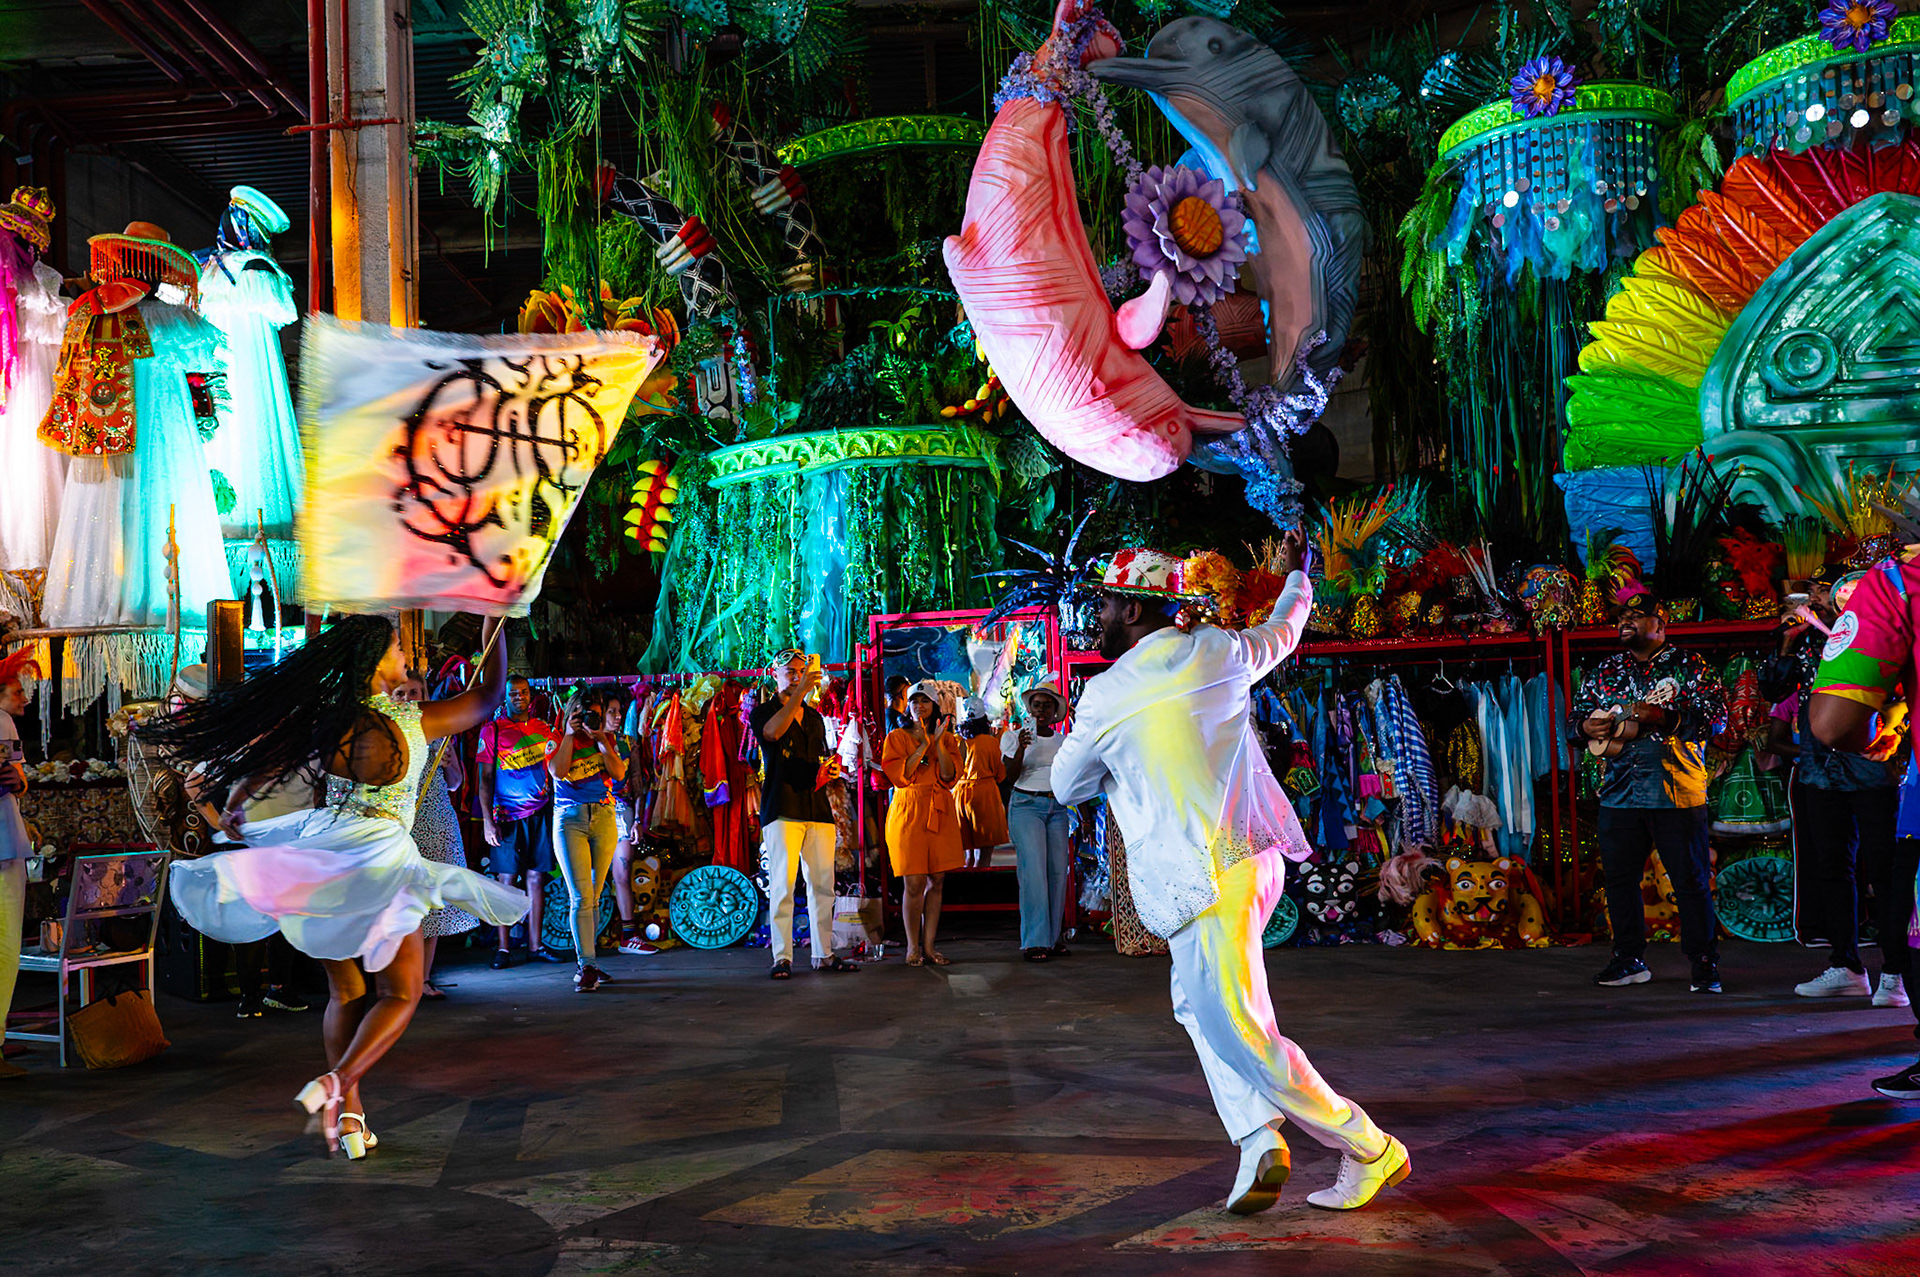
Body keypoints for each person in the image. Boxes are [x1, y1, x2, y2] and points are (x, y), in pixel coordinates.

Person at [1051, 536, 1409, 1212]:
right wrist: (1298, 577)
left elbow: (1067, 786)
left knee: (1242, 1028)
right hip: (1254, 859)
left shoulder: (1106, 694)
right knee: (1196, 1004)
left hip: (1200, 882)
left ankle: (1368, 1146)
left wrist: (1111, 759)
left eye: (1104, 605)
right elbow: (1284, 631)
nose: (1097, 616)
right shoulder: (1219, 651)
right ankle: (1255, 1138)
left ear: (1132, 609)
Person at [149, 614, 528, 1158]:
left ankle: (351, 1117)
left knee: (346, 991)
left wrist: (234, 804)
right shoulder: (413, 718)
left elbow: (269, 760)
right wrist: (496, 618)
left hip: (326, 852)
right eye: (398, 648)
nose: (405, 657)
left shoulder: (326, 722)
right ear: (376, 661)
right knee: (401, 992)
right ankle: (338, 1080)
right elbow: (488, 697)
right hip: (379, 854)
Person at [1806, 550, 1920, 1099]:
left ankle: (1892, 976)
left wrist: (1876, 731)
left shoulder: (1898, 581)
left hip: (1888, 788)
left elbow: (1832, 722)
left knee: (1898, 900)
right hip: (1834, 783)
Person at [1572, 598, 1729, 994]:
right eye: (1622, 617)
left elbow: (1717, 719)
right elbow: (1577, 720)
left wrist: (1666, 718)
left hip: (1675, 792)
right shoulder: (1605, 670)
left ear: (1661, 623)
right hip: (1618, 793)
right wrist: (1586, 728)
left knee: (1690, 880)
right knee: (1619, 880)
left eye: (1635, 616)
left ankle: (1704, 963)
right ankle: (1628, 959)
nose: (1625, 622)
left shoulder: (1690, 666)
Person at [1762, 574, 1904, 1006]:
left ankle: (1897, 972)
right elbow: (1774, 689)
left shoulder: (1877, 634)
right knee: (1831, 867)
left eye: (1823, 590)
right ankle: (1847, 965)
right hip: (1819, 768)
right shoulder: (1809, 643)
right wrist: (1787, 645)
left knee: (1884, 870)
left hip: (1872, 767)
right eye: (1813, 594)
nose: (1816, 599)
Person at [752, 650, 859, 979]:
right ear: (775, 674)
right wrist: (799, 694)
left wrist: (829, 770)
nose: (797, 676)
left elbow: (817, 758)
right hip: (782, 806)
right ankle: (782, 957)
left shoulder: (813, 717)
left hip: (816, 806)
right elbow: (772, 734)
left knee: (823, 885)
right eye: (790, 671)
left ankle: (823, 953)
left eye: (801, 671)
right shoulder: (764, 711)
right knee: (783, 886)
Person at [547, 687, 628, 992]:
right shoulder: (557, 737)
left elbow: (619, 774)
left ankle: (588, 963)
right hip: (570, 820)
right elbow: (558, 771)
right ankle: (588, 965)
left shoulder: (605, 739)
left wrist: (602, 739)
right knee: (581, 896)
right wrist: (570, 735)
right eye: (583, 714)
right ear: (571, 713)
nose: (588, 720)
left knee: (593, 896)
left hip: (604, 816)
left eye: (595, 714)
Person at [478, 676, 560, 968]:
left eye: (523, 692)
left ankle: (536, 946)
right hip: (506, 817)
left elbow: (558, 769)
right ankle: (503, 948)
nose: (519, 697)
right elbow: (485, 779)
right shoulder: (493, 730)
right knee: (506, 882)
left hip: (540, 813)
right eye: (513, 693)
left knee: (536, 878)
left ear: (530, 695)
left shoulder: (543, 729)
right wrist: (487, 820)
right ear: (505, 697)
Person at [882, 681, 964, 966]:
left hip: (939, 809)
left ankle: (929, 946)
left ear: (934, 706)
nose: (919, 706)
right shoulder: (896, 737)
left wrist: (938, 744)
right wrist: (923, 747)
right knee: (914, 880)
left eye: (924, 701)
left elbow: (949, 775)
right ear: (908, 706)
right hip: (908, 810)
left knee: (937, 879)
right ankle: (912, 946)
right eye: (914, 701)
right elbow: (900, 775)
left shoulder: (948, 739)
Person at [1006, 678, 1073, 962]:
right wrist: (1021, 747)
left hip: (1056, 807)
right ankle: (1035, 941)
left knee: (1058, 872)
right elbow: (1009, 777)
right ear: (1029, 709)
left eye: (1047, 705)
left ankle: (1052, 938)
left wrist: (1081, 813)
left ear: (1055, 711)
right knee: (1033, 872)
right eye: (1036, 705)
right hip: (1026, 805)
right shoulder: (1012, 737)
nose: (1041, 710)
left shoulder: (1063, 742)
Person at [0, 649, 37, 1078]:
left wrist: (18, 782)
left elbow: (17, 776)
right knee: (6, 945)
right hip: (5, 845)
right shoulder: (2, 721)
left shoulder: (6, 725)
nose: (24, 698)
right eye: (16, 691)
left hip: (7, 840)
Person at [953, 698, 1008, 869]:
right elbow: (1000, 775)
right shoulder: (990, 742)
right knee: (984, 853)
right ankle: (981, 883)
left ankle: (967, 883)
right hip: (984, 794)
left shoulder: (956, 740)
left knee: (967, 853)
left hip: (959, 795)